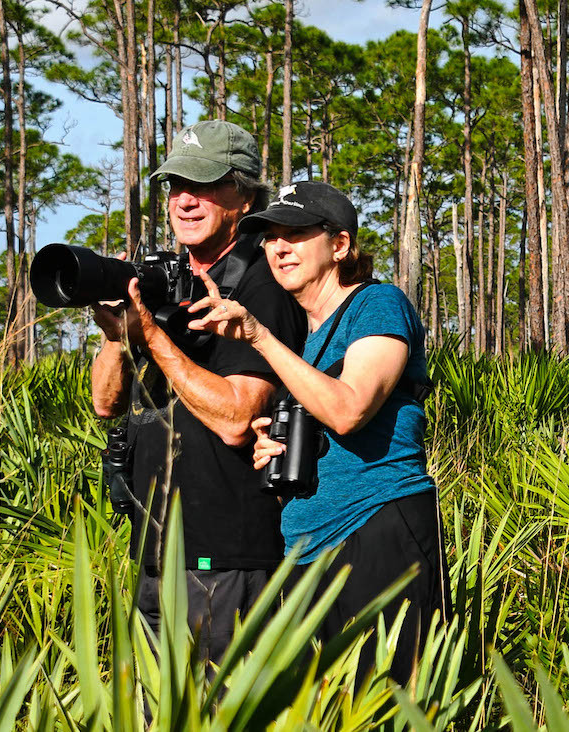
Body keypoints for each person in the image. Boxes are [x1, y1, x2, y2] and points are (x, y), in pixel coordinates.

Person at [187, 180, 452, 685]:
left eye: (296, 233)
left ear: (340, 244)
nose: (279, 247)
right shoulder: (308, 341)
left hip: (377, 526)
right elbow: (323, 426)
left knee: (390, 703)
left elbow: (350, 410)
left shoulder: (378, 304)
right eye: (268, 237)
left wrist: (260, 338)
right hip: (309, 547)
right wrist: (275, 447)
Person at [90, 120, 306, 666]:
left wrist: (155, 337)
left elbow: (237, 415)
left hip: (222, 554)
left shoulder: (263, 284)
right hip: (155, 551)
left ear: (245, 192)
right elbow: (105, 404)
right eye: (174, 186)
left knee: (220, 712)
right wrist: (120, 336)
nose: (185, 201)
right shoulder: (170, 279)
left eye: (203, 184)